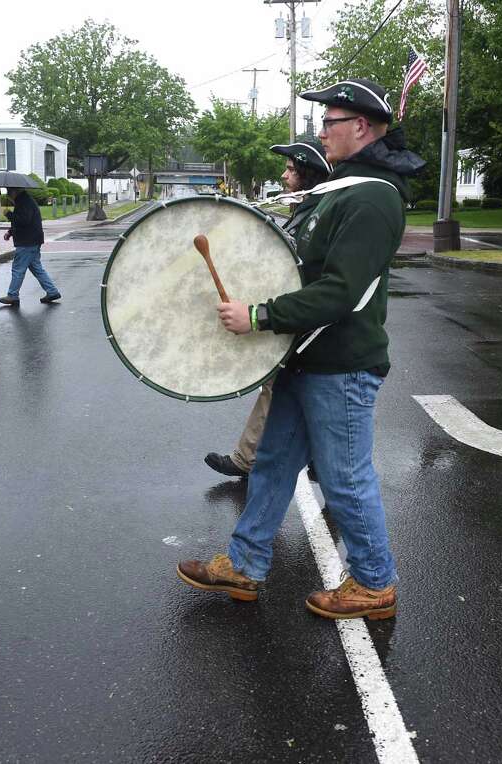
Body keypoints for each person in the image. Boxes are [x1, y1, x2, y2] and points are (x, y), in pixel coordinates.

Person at [177, 79, 424, 620]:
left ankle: (375, 583)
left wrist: (260, 316)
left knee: (345, 478)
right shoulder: (344, 190)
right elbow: (298, 269)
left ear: (360, 127)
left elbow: (339, 291)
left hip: (340, 365)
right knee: (270, 463)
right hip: (302, 359)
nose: (321, 132)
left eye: (329, 123)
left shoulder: (374, 198)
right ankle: (246, 563)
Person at [204, 137, 331, 479]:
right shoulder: (303, 212)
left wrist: (263, 315)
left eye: (292, 170)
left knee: (288, 390)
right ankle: (261, 459)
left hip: (309, 326)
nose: (284, 176)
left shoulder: (319, 214)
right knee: (280, 388)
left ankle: (254, 459)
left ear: (310, 176)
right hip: (292, 319)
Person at [0, 188, 60, 307]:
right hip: (32, 240)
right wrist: (10, 232)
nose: (8, 195)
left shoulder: (24, 202)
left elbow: (23, 221)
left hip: (27, 242)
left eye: (9, 192)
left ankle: (12, 295)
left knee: (18, 269)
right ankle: (52, 291)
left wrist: (8, 214)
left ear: (15, 192)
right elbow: (22, 221)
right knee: (37, 268)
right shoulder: (25, 201)